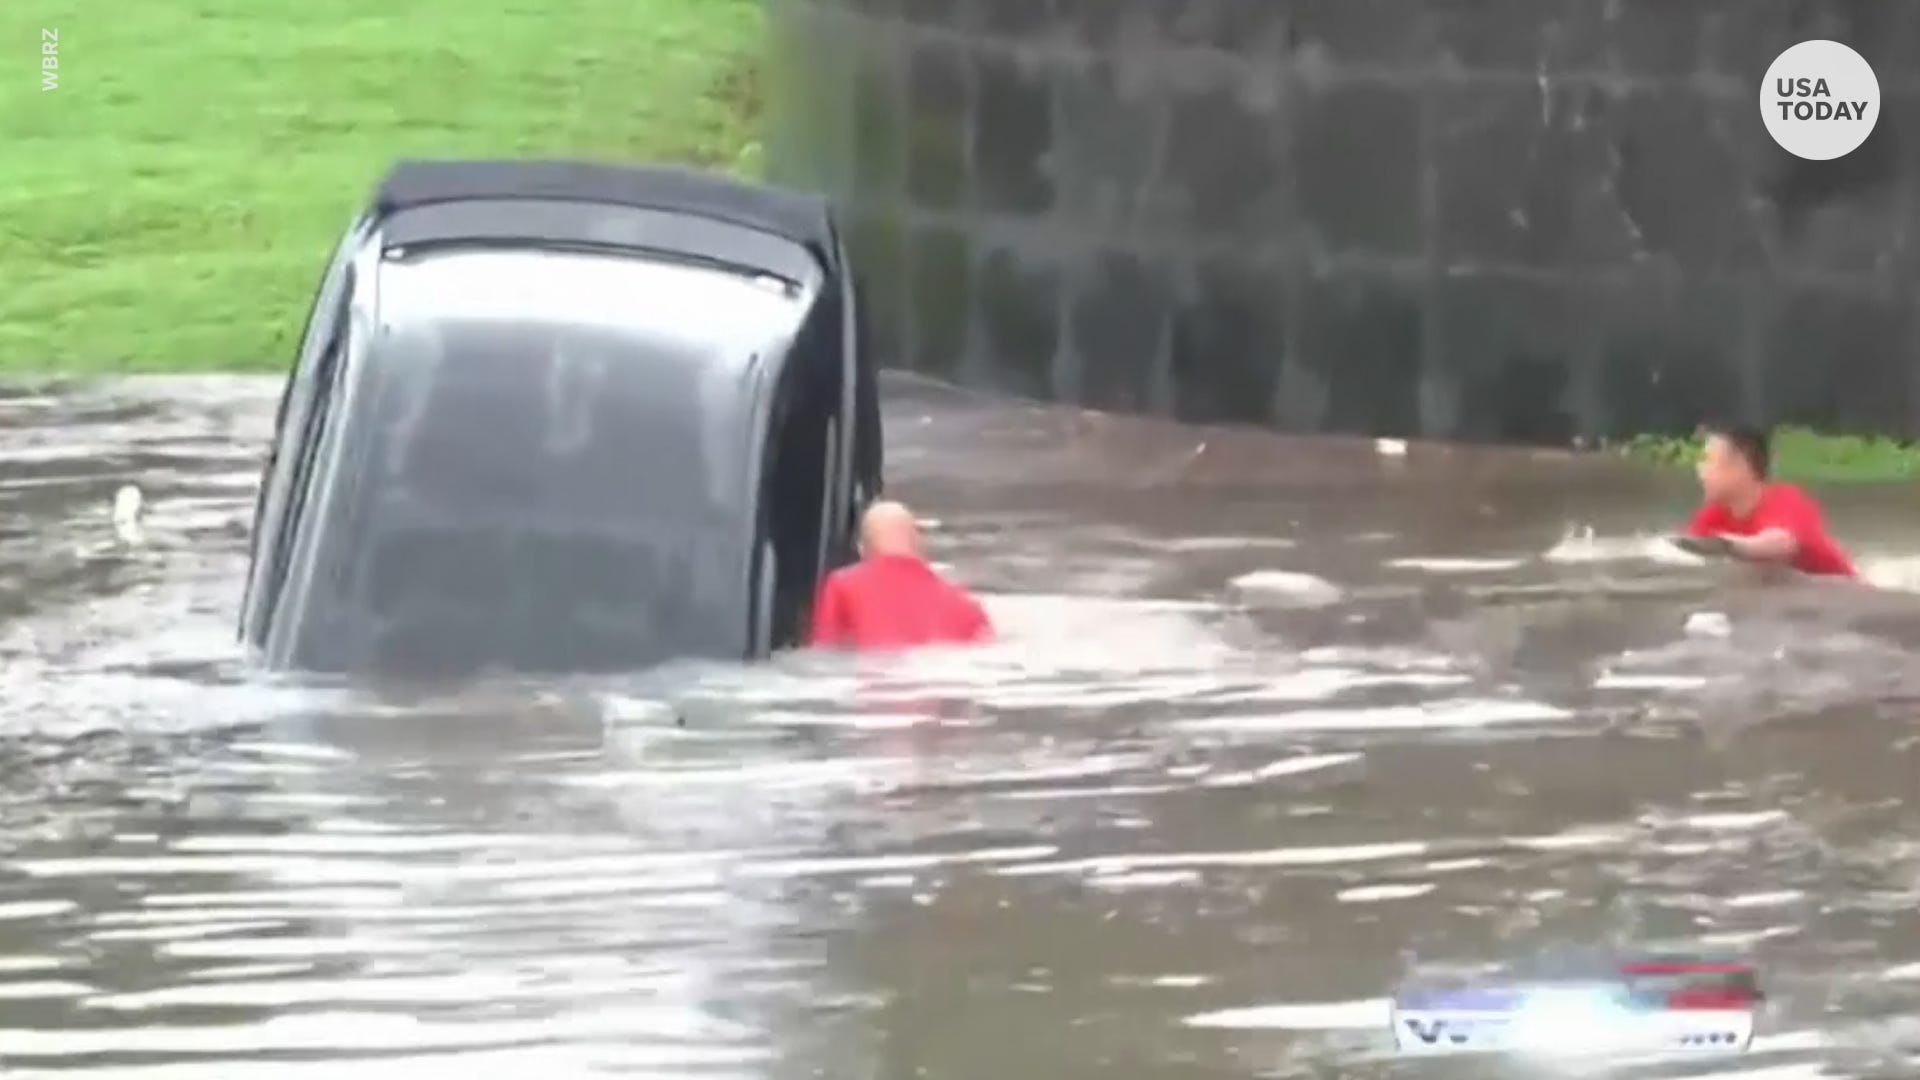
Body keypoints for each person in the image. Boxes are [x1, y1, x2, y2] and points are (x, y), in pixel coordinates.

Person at [808, 500, 993, 650]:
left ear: (862, 549)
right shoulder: (967, 606)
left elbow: (825, 652)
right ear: (919, 545)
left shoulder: (842, 586)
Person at [1684, 424, 1856, 578]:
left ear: (1739, 466)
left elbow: (1781, 544)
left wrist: (1724, 545)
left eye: (1707, 460)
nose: (1700, 469)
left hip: (1845, 595)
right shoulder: (1714, 514)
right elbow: (1686, 552)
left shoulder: (1787, 500)